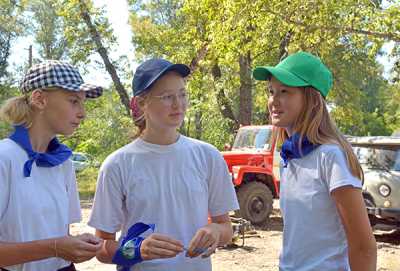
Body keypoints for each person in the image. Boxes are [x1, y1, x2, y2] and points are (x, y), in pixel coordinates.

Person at [88, 58, 239, 271]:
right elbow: (102, 248)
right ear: (141, 103)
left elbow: (226, 228)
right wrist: (137, 250)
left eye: (182, 94)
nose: (178, 104)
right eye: (167, 97)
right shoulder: (117, 164)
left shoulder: (208, 156)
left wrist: (215, 231)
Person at [253, 51, 377, 271]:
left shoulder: (331, 156)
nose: (273, 100)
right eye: (271, 91)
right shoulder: (289, 156)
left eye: (284, 91)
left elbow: (363, 247)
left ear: (311, 100)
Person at [0, 60, 103, 271]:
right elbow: (55, 245)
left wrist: (75, 245)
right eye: (74, 101)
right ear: (39, 99)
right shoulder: (4, 158)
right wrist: (55, 248)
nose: (82, 113)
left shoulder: (62, 162)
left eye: (83, 103)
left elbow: (60, 234)